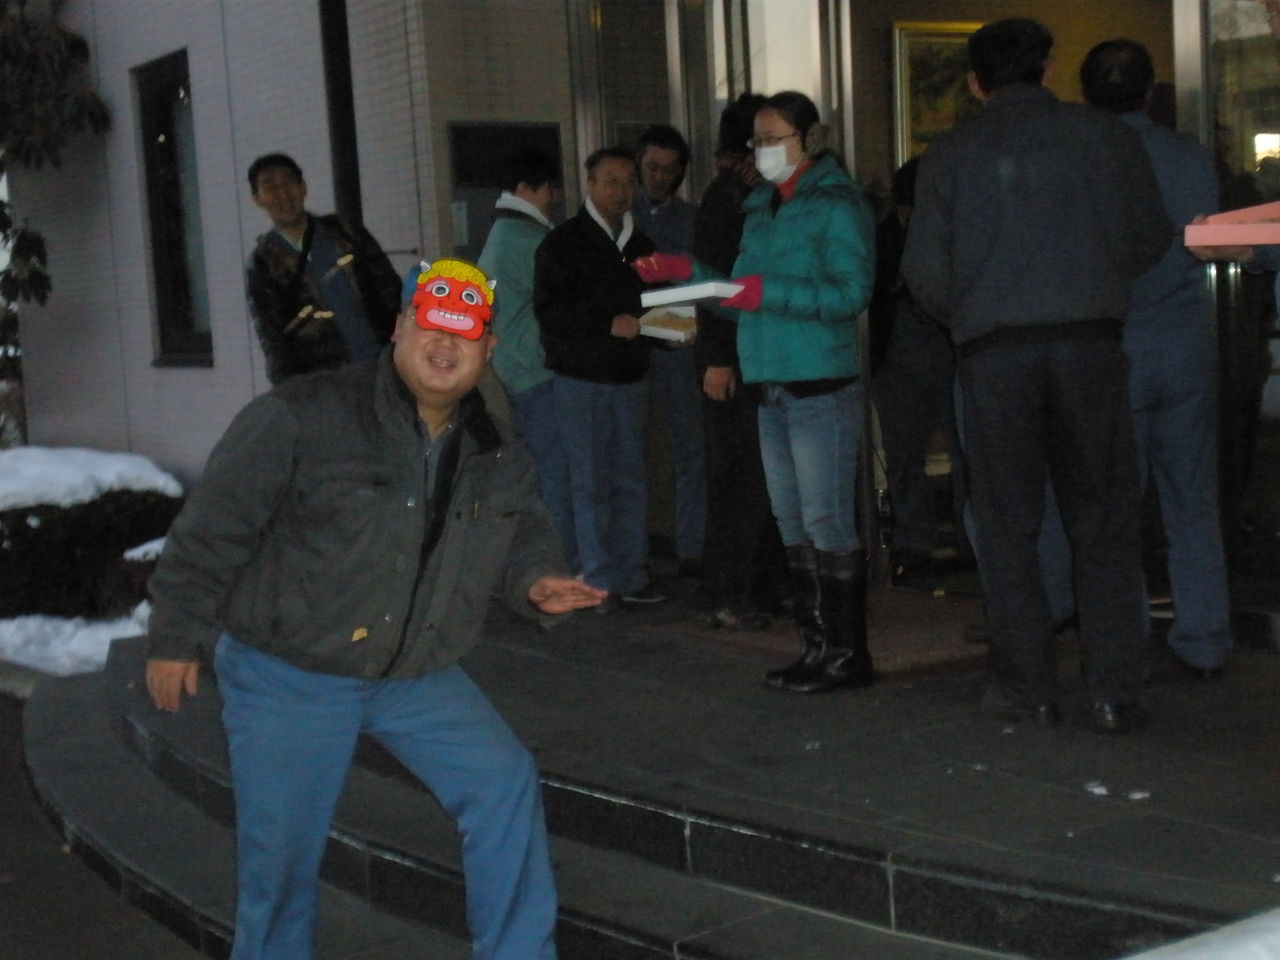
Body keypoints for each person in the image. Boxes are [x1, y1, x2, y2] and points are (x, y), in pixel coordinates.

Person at [144, 257, 605, 959]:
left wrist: (536, 580)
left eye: (464, 332)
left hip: (413, 668)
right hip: (291, 672)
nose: (445, 344)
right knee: (281, 864)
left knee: (502, 780)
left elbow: (521, 529)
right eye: (431, 325)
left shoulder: (492, 437)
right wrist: (174, 637)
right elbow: (211, 530)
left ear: (487, 348)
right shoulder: (303, 415)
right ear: (399, 328)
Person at [902, 18, 1171, 733]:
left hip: (995, 354)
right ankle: (1114, 689)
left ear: (974, 83)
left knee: (1008, 525)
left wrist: (973, 311)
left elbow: (924, 272)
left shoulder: (950, 156)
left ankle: (1029, 687)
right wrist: (1092, 276)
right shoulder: (1105, 138)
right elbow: (1150, 235)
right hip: (1090, 344)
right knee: (1104, 520)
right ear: (1049, 69)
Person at [636, 91, 877, 693]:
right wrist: (686, 273)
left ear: (810, 140)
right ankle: (817, 646)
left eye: (773, 139)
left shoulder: (836, 204)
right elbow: (741, 295)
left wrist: (764, 293)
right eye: (757, 141)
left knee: (824, 520)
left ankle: (847, 653)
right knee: (791, 520)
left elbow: (850, 294)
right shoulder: (762, 207)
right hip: (770, 381)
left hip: (818, 382)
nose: (762, 151)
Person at [1080, 38, 1233, 680]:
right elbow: (1214, 240)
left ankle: (1126, 639)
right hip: (1183, 343)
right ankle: (1205, 637)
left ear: (1085, 96)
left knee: (1115, 505)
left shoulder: (1083, 158)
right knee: (1191, 499)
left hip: (1112, 348)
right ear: (1149, 93)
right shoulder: (1188, 157)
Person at [533, 148, 663, 611]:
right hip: (580, 378)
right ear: (589, 184)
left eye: (628, 182)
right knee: (588, 483)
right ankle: (598, 580)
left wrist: (668, 331)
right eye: (611, 181)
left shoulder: (641, 244)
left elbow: (658, 305)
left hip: (630, 376)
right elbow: (550, 312)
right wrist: (605, 324)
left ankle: (632, 574)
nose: (621, 191)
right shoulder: (562, 243)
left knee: (631, 479)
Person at [690, 93, 786, 630]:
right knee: (741, 478)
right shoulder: (730, 198)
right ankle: (727, 591)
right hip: (734, 355)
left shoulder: (747, 194)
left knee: (755, 476)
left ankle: (760, 587)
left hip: (750, 352)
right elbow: (713, 287)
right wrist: (718, 358)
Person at [477, 148, 577, 571]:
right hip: (536, 371)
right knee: (556, 476)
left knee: (537, 474)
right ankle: (562, 564)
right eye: (551, 190)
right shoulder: (529, 240)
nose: (555, 199)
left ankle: (541, 565)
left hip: (514, 370)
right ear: (529, 189)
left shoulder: (500, 235)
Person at [870, 158, 966, 580]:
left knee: (961, 449)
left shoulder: (951, 233)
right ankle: (914, 539)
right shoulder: (882, 239)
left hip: (943, 347)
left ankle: (964, 537)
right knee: (906, 451)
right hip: (903, 350)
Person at [243, 153, 402, 385]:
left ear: (303, 187)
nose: (282, 193)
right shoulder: (262, 263)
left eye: (288, 181)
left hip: (380, 365)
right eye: (270, 186)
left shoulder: (346, 233)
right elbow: (271, 337)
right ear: (257, 199)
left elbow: (390, 290)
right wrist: (290, 391)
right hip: (324, 382)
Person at [632, 125, 708, 577]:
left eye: (668, 169)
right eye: (652, 168)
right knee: (630, 451)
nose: (660, 177)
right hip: (633, 347)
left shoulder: (693, 219)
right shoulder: (622, 215)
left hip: (679, 344)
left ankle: (691, 549)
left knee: (689, 449)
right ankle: (635, 548)